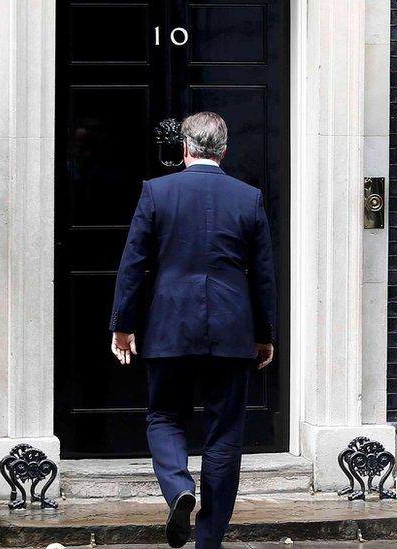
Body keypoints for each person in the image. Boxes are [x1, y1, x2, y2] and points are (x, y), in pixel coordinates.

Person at [108, 112, 277, 548]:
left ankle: (179, 487)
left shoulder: (156, 192)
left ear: (185, 148)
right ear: (224, 149)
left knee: (164, 415)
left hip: (169, 325)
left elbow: (132, 264)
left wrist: (122, 326)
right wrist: (264, 332)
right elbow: (262, 275)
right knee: (224, 435)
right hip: (231, 329)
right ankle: (208, 540)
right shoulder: (248, 197)